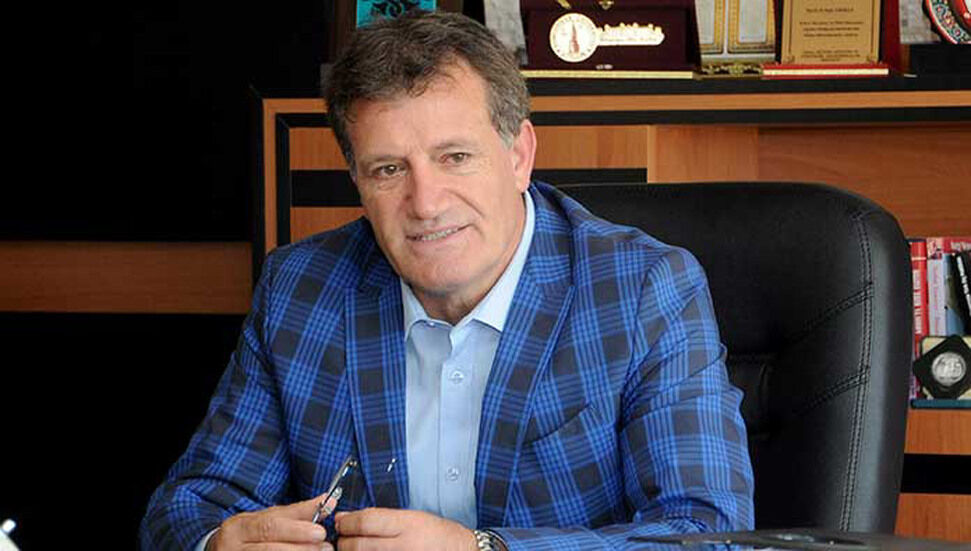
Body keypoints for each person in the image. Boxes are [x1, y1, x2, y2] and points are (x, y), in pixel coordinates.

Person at [140, 10, 754, 550]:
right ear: (358, 181)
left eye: (454, 157)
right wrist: (220, 542)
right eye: (388, 169)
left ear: (519, 155)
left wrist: (480, 549)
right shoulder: (301, 289)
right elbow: (186, 508)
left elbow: (709, 534)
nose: (426, 203)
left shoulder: (644, 289)